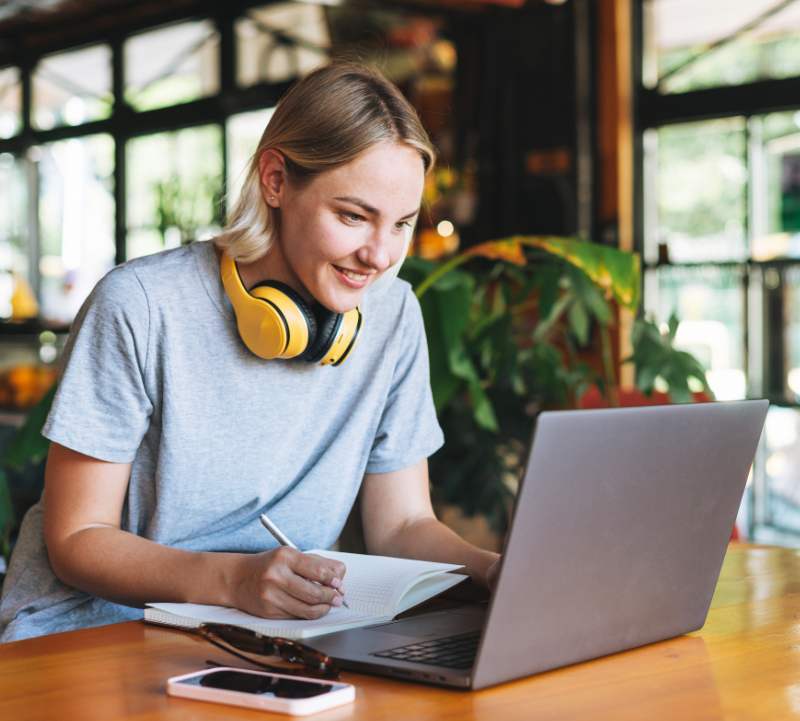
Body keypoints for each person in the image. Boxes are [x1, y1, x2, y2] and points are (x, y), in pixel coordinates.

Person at [0, 64, 499, 643]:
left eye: (403, 224)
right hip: (93, 631)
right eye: (354, 216)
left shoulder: (394, 314)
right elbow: (77, 538)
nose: (379, 256)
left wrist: (495, 571)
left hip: (264, 634)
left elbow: (404, 524)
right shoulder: (141, 304)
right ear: (275, 180)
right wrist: (234, 580)